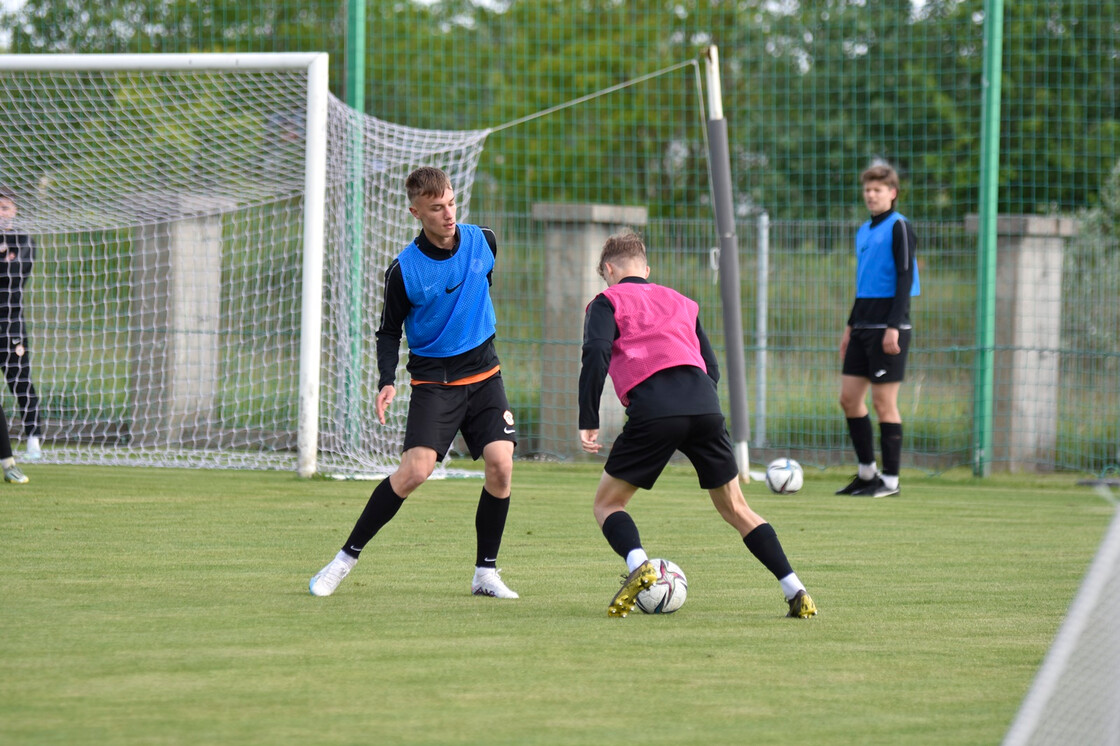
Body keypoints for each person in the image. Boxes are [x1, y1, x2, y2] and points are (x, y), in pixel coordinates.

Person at [578, 230, 816, 619]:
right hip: (705, 404)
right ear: (647, 268)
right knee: (738, 508)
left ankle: (639, 565)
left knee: (608, 503)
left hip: (654, 407)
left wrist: (588, 417)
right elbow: (712, 366)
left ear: (608, 269)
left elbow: (597, 351)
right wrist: (698, 408)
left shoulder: (606, 301)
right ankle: (796, 588)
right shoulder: (682, 302)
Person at [309, 166, 518, 599]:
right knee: (414, 472)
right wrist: (387, 380)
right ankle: (342, 560)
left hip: (485, 376)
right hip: (434, 382)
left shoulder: (485, 241)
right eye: (437, 208)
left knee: (501, 464)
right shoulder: (404, 270)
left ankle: (486, 573)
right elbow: (389, 331)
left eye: (451, 203)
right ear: (416, 212)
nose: (448, 214)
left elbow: (481, 288)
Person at [835, 163, 919, 498]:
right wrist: (849, 327)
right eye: (868, 189)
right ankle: (867, 473)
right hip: (862, 326)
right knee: (849, 399)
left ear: (892, 193)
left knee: (884, 402)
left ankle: (891, 481)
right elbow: (863, 284)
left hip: (888, 327)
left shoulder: (900, 227)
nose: (871, 195)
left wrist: (893, 327)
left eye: (878, 190)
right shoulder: (863, 230)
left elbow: (904, 278)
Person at [0, 186, 43, 461]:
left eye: (4, 208)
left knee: (20, 381)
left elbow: (14, 276)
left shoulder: (24, 240)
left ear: (14, 211)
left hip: (10, 324)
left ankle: (33, 440)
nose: (0, 213)